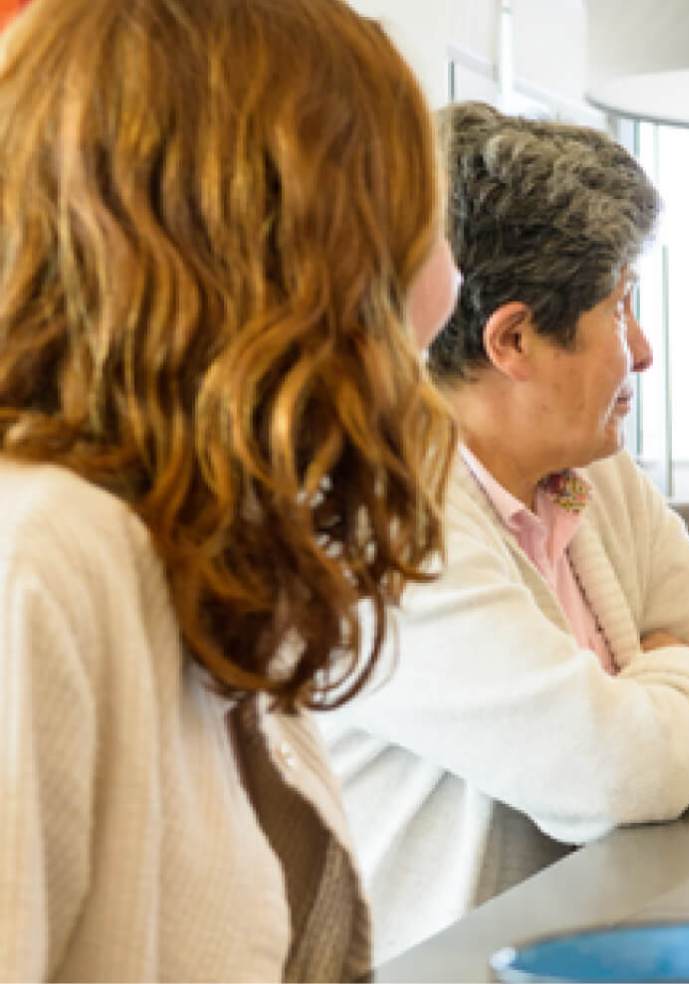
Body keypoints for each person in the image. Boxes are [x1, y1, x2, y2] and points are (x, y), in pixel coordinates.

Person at [0, 0, 457, 977]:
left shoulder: (198, 543)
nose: (442, 284)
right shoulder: (43, 558)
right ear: (288, 246)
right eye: (414, 218)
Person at [318, 103, 689, 956]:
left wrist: (652, 699)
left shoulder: (595, 471)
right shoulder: (379, 521)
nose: (645, 349)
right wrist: (678, 672)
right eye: (620, 306)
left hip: (607, 947)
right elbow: (612, 772)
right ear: (513, 338)